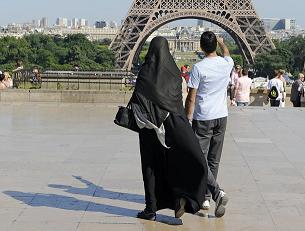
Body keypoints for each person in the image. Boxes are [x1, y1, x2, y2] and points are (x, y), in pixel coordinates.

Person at [128, 36, 228, 221]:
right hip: (171, 128)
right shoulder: (174, 72)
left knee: (150, 168)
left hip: (149, 129)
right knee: (179, 163)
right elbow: (177, 103)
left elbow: (137, 99)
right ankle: (193, 197)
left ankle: (151, 209)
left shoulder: (145, 72)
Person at [185, 32, 232, 211]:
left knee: (200, 158)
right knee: (213, 159)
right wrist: (222, 43)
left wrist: (187, 118)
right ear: (215, 45)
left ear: (201, 46)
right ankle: (207, 196)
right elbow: (226, 53)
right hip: (222, 116)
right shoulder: (227, 63)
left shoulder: (198, 68)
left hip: (203, 117)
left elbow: (191, 98)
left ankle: (212, 194)